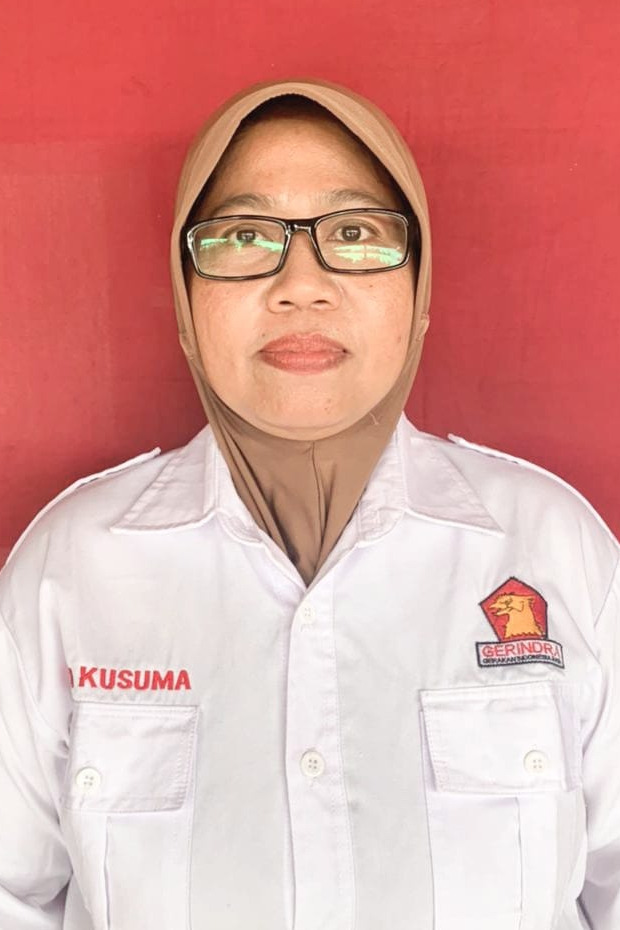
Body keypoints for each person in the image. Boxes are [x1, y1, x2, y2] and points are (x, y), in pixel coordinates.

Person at [0, 78, 618, 930]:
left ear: (420, 286)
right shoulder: (71, 567)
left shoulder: (553, 547)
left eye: (354, 235)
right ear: (185, 293)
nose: (301, 285)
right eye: (245, 236)